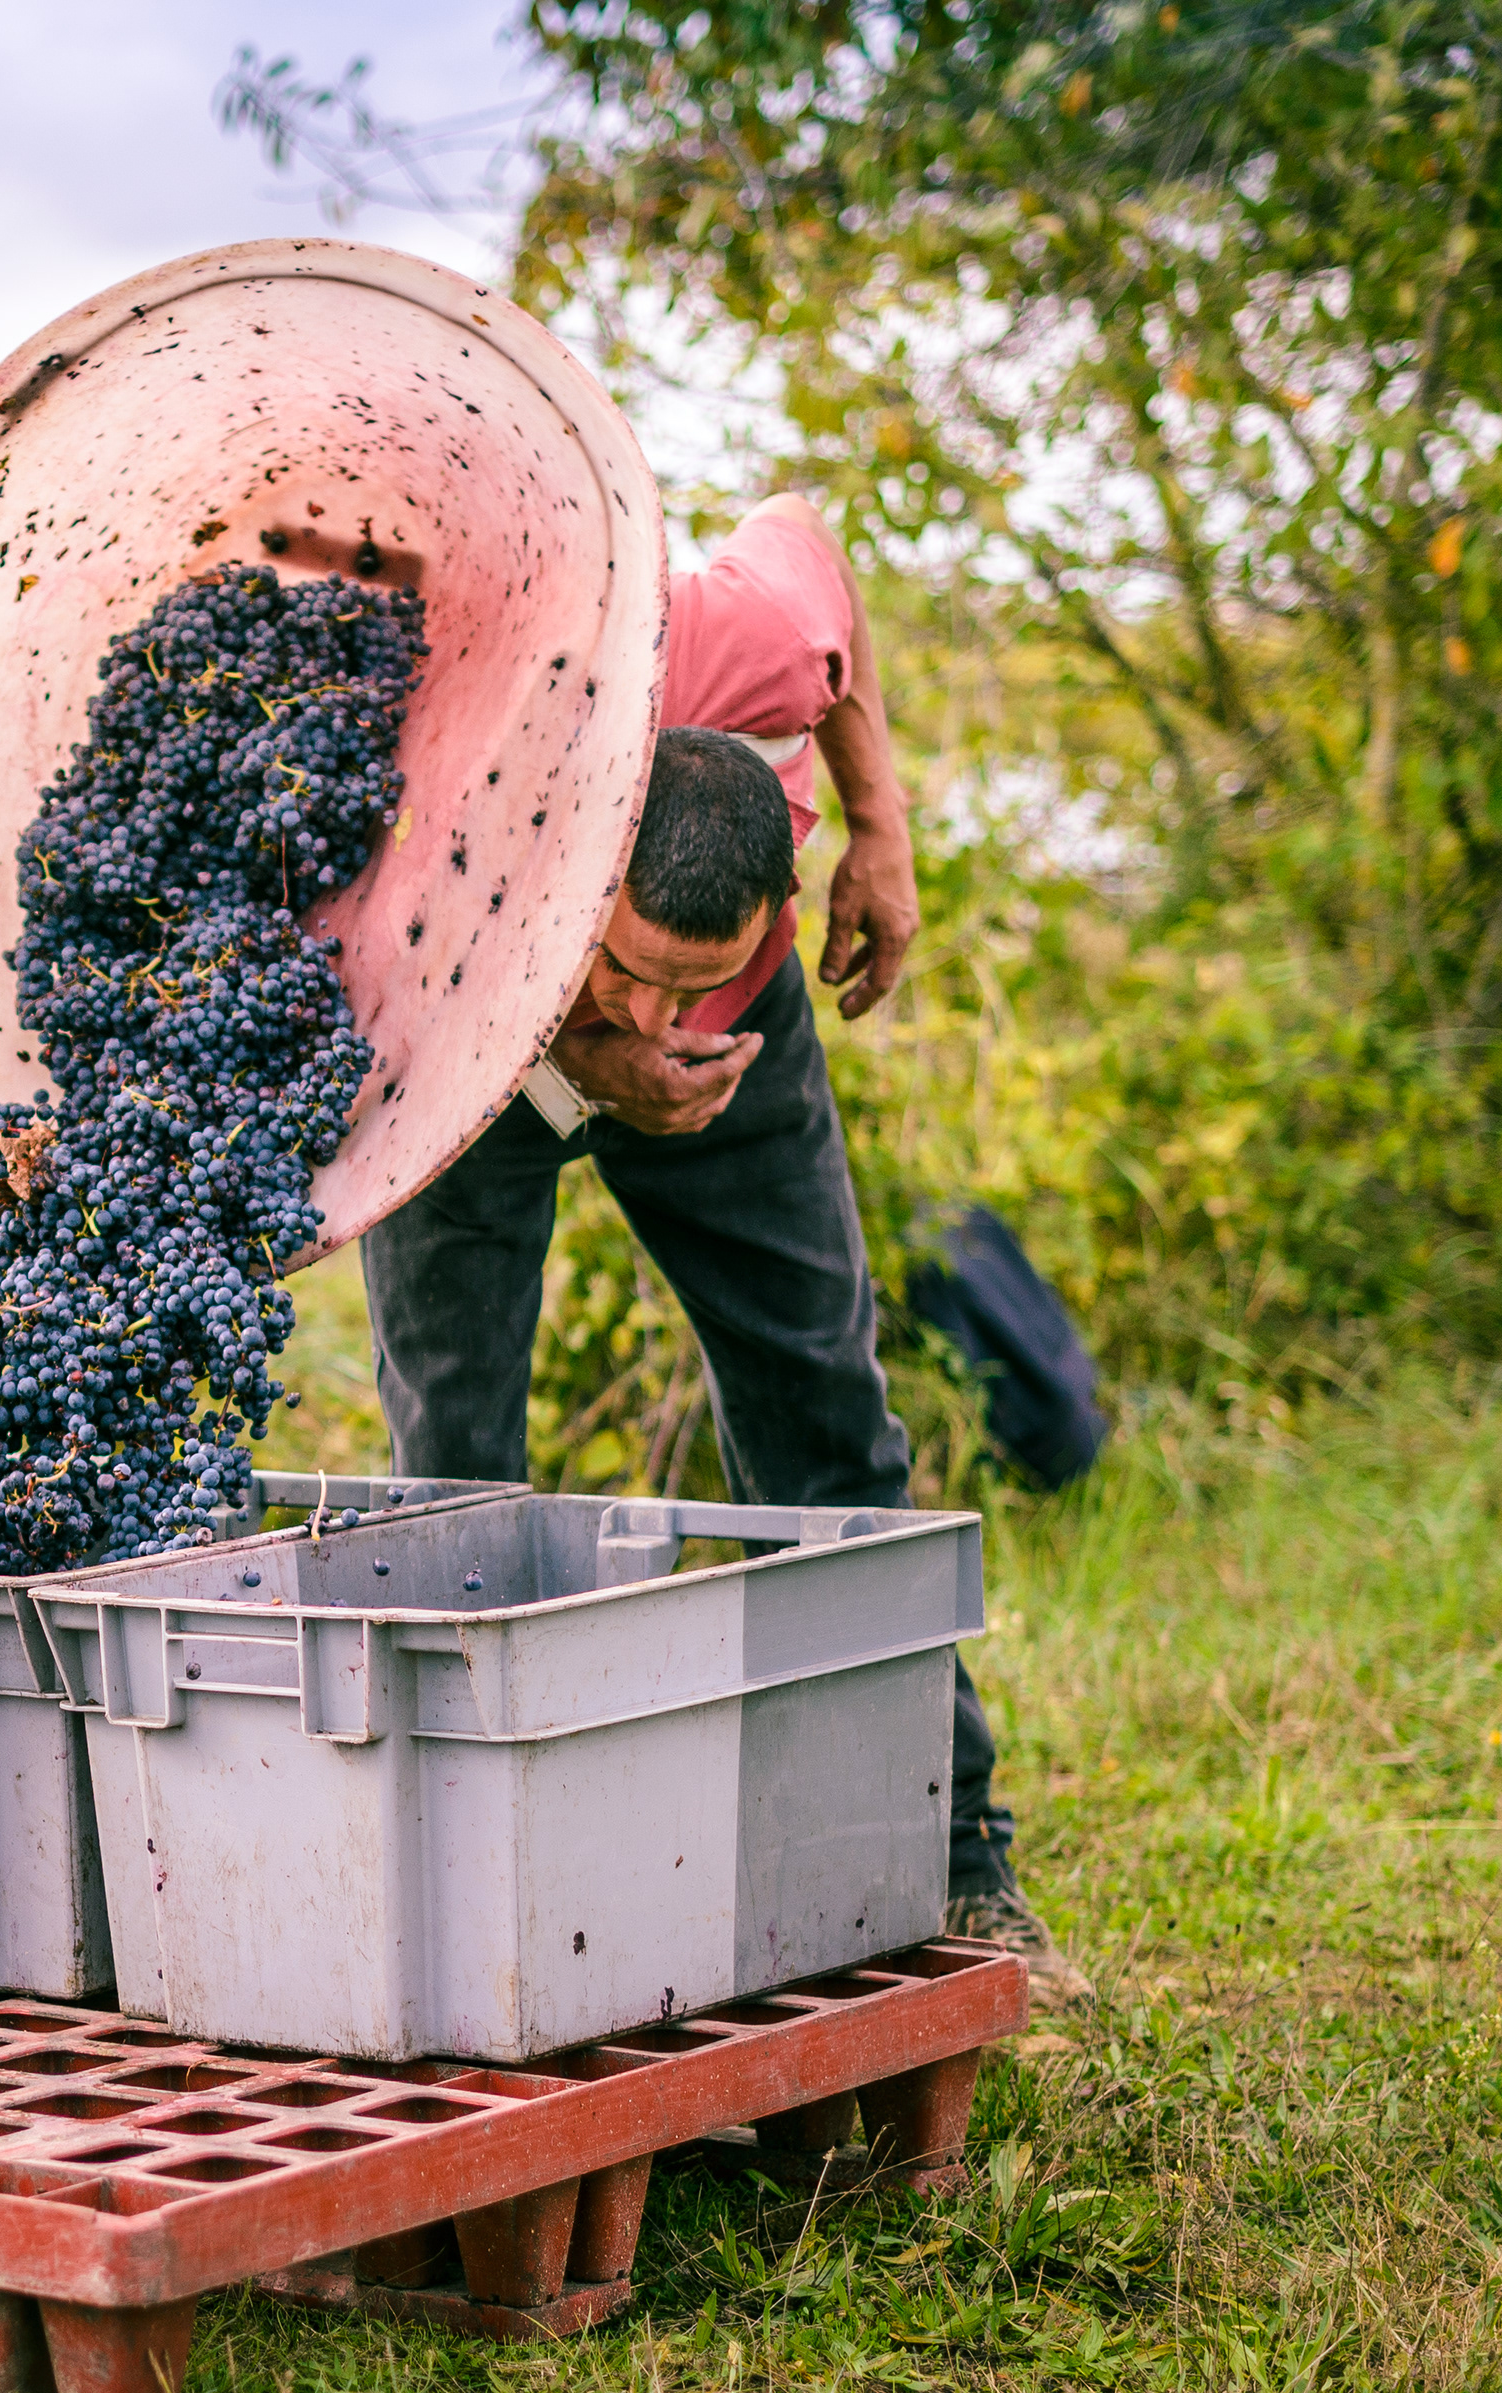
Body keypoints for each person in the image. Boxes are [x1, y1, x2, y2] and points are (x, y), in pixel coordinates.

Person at [361, 493, 1090, 2000]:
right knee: (454, 1465)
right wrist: (579, 1045)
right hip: (467, 1036)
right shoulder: (465, 761)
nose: (659, 1009)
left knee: (829, 1415)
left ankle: (951, 1858)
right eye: (636, 968)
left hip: (738, 1074)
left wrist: (881, 824)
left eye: (702, 973)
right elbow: (393, 979)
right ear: (583, 872)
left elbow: (809, 536)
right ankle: (473, 1886)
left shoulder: (745, 646)